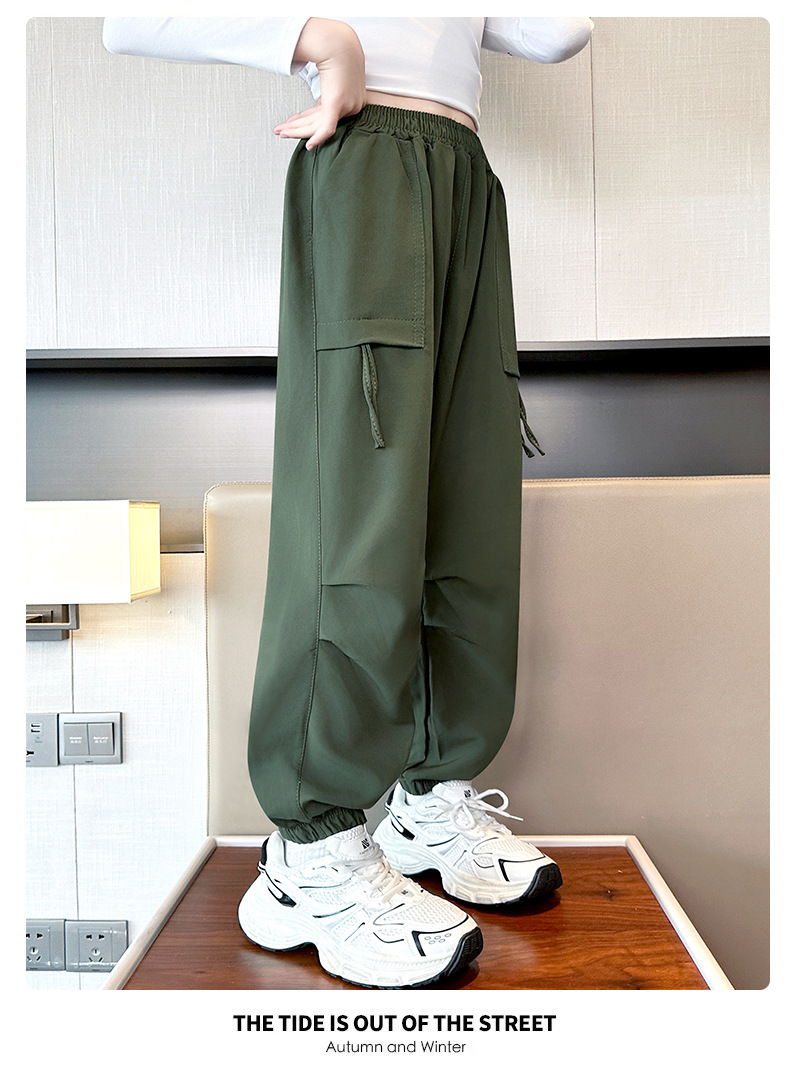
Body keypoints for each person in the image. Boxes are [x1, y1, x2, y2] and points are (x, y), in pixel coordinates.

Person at [102, 16, 594, 989]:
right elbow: (130, 16)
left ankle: (428, 796)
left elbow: (557, 32)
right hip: (369, 163)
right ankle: (310, 853)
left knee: (468, 511)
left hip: (463, 173)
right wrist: (323, 38)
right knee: (357, 522)